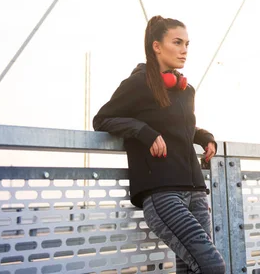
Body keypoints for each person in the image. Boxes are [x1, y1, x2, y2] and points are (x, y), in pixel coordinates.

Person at [93, 16, 226, 274]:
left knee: (189, 269)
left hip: (196, 191)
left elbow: (182, 128)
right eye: (177, 42)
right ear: (157, 46)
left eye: (187, 43)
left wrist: (204, 137)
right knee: (212, 265)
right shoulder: (137, 84)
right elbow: (102, 119)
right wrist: (144, 132)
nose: (184, 50)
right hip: (162, 192)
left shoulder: (187, 91)